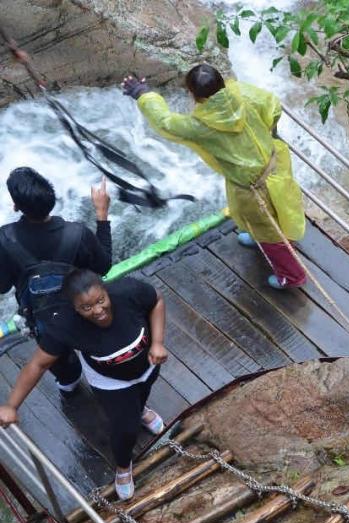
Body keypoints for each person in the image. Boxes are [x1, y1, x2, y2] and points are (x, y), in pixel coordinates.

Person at [121, 64, 307, 289]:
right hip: (275, 165)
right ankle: (260, 237)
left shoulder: (201, 125)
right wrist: (266, 134)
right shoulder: (242, 93)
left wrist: (142, 94)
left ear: (194, 95)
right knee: (282, 210)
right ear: (222, 82)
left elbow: (165, 122)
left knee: (270, 232)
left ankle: (292, 276)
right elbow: (272, 105)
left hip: (253, 188)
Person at [0, 270, 169, 500]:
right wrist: (11, 405)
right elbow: (38, 364)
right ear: (74, 308)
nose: (98, 311)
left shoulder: (129, 291)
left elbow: (157, 300)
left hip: (148, 366)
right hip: (111, 382)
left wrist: (157, 342)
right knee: (125, 429)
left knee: (141, 396)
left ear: (106, 290)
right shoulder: (65, 326)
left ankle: (141, 411)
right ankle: (122, 467)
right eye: (87, 307)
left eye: (101, 301)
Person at [0, 169, 112, 392]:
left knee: (63, 366)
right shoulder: (77, 234)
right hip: (85, 310)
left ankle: (69, 386)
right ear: (52, 199)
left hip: (46, 321)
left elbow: (2, 286)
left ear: (15, 206)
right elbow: (104, 266)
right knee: (97, 347)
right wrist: (101, 214)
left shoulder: (4, 239)